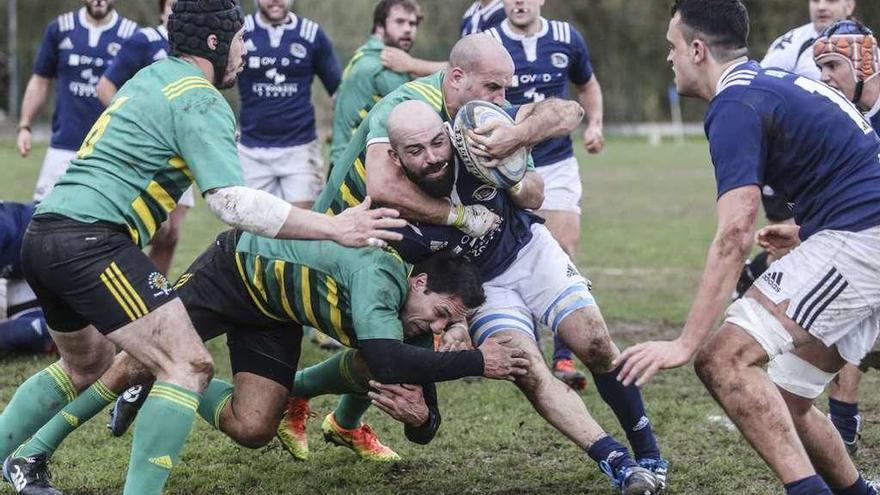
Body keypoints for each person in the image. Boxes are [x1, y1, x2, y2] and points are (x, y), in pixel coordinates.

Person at [0, 1, 406, 494]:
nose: (246, 50)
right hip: (90, 240)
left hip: (43, 232)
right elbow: (232, 203)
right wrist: (335, 228)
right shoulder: (201, 98)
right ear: (215, 43)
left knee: (84, 365)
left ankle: (20, 459)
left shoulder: (152, 76)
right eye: (240, 39)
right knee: (187, 363)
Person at [300, 61, 668, 490]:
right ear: (396, 160)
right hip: (483, 287)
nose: (433, 157)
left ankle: (649, 454)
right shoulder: (394, 220)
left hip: (528, 251)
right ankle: (620, 465)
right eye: (416, 152)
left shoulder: (474, 135)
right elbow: (419, 284)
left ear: (446, 132)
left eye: (437, 144)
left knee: (597, 343)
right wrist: (455, 323)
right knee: (526, 369)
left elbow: (559, 133)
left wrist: (514, 153)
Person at [4, 228, 528, 492]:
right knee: (135, 361)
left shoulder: (415, 319)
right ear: (419, 283)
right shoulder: (382, 275)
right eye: (439, 314)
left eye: (446, 324)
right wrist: (478, 362)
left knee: (254, 427)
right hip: (234, 268)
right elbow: (389, 362)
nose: (436, 329)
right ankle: (32, 452)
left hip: (275, 313)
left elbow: (421, 412)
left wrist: (424, 419)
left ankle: (168, 379)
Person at [615, 2, 880, 495]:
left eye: (672, 48)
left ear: (697, 50)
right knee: (785, 396)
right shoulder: (767, 83)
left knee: (721, 359)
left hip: (861, 241)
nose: (669, 60)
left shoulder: (735, 103)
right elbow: (856, 168)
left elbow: (735, 234)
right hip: (854, 233)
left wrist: (685, 341)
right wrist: (805, 231)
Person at [485, 0, 604, 391]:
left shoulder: (567, 37)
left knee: (564, 248)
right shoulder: (488, 40)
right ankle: (521, 341)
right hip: (502, 164)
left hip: (556, 163)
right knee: (505, 253)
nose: (519, 2)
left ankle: (563, 355)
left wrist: (594, 126)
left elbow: (587, 85)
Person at [737, 0, 857, 297]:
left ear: (851, 5)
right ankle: (757, 294)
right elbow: (756, 94)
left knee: (830, 243)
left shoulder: (865, 48)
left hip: (843, 166)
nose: (820, 6)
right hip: (792, 165)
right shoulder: (792, 44)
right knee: (791, 247)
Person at [809, 19, 880, 457]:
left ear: (866, 64)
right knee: (840, 320)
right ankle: (842, 428)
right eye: (820, 67)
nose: (825, 77)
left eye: (833, 64)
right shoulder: (849, 120)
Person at [95, 0, 192, 276]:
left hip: (181, 151)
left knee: (172, 234)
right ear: (162, 10)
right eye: (173, 5)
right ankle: (116, 284)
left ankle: (152, 297)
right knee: (148, 227)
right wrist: (135, 124)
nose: (178, 11)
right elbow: (105, 87)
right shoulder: (145, 40)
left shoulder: (195, 48)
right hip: (150, 153)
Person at [16, 0, 138, 202]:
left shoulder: (132, 34)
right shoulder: (60, 28)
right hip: (64, 145)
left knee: (107, 222)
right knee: (42, 214)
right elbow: (39, 80)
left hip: (111, 149)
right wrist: (24, 126)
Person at [237, 0, 341, 208]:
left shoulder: (311, 34)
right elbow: (214, 79)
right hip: (251, 150)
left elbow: (340, 91)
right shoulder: (240, 31)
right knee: (250, 232)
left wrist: (339, 131)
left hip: (300, 150)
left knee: (302, 229)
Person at [329, 0, 423, 167]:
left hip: (341, 162)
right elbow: (418, 118)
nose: (408, 29)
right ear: (380, 26)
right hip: (355, 170)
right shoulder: (384, 65)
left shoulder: (362, 55)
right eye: (400, 22)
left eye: (412, 23)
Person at [0, 202, 52, 354]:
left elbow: (6, 227)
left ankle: (88, 325)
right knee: (23, 331)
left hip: (52, 251)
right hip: (20, 275)